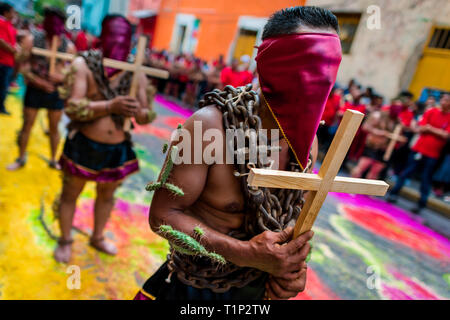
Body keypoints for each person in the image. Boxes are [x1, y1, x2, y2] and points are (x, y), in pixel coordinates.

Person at [135, 6, 341, 300]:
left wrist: (292, 272)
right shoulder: (207, 127)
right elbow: (163, 216)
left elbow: (295, 220)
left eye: (329, 66)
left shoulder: (310, 144)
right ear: (268, 62)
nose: (319, 78)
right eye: (307, 63)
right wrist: (244, 253)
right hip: (196, 289)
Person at [53, 14, 157, 263]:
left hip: (117, 147)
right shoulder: (84, 65)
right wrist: (111, 105)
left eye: (124, 37)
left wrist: (137, 112)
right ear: (102, 36)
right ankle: (65, 239)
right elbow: (72, 106)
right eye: (113, 34)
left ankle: (97, 236)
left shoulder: (136, 72)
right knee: (70, 193)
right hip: (83, 144)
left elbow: (146, 114)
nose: (118, 41)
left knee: (107, 196)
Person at [7, 7, 76, 170]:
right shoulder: (32, 40)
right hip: (35, 90)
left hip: (55, 91)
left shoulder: (68, 46)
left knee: (54, 128)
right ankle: (21, 157)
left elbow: (74, 72)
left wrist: (62, 77)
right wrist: (36, 80)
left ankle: (54, 159)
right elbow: (22, 64)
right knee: (27, 125)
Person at [388, 92, 450, 213]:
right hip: (418, 149)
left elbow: (446, 135)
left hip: (433, 154)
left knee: (426, 178)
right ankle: (393, 193)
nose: (444, 102)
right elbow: (420, 128)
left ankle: (421, 204)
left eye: (447, 100)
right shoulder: (431, 111)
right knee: (406, 172)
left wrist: (430, 128)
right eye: (443, 99)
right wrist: (435, 131)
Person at [351, 109, 398, 180]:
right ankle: (347, 188)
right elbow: (365, 127)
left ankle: (365, 191)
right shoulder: (378, 115)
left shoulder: (397, 121)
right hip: (372, 145)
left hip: (384, 149)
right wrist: (378, 132)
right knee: (360, 169)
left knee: (374, 173)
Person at [0, 2, 17, 115]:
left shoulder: (7, 23)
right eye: (12, 11)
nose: (14, 14)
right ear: (6, 12)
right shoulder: (1, 23)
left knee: (4, 85)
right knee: (2, 86)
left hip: (8, 61)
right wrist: (14, 50)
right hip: (2, 60)